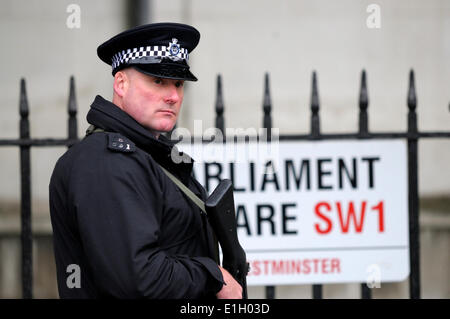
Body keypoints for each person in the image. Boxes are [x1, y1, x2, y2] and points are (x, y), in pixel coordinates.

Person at [49, 22, 242, 299]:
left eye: (178, 83)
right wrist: (213, 277)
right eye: (158, 81)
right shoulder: (107, 162)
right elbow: (137, 280)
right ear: (121, 84)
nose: (174, 96)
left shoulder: (143, 155)